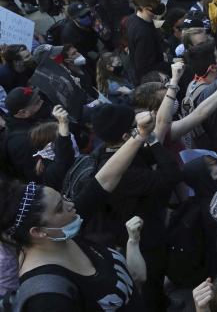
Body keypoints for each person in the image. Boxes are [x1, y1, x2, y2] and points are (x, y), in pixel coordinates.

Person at [0, 111, 156, 311]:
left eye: (63, 198)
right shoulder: (47, 297)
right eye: (59, 207)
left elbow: (104, 180)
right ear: (38, 231)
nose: (70, 204)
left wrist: (140, 135)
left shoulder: (61, 230)